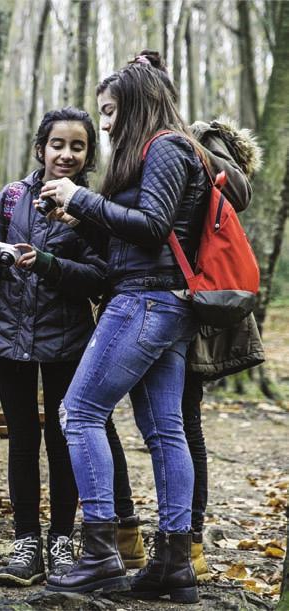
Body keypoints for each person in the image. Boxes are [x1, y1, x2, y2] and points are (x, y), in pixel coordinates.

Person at [42, 60, 211, 604]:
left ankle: (99, 555)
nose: (105, 124)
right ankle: (173, 564)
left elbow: (154, 227)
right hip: (164, 303)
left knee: (79, 411)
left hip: (145, 301)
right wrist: (85, 217)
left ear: (134, 105)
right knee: (165, 431)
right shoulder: (167, 150)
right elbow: (144, 229)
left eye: (110, 112)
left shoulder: (165, 146)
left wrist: (79, 196)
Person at [0, 108, 143, 587]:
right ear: (41, 147)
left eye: (77, 146)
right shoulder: (11, 197)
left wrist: (45, 263)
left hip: (67, 341)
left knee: (64, 438)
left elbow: (101, 277)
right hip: (8, 336)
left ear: (88, 154)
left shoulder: (93, 207)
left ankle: (62, 540)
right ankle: (26, 541)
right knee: (22, 440)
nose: (66, 154)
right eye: (58, 145)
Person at [129, 50, 264, 581]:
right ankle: (153, 541)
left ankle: (188, 544)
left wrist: (192, 141)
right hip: (154, 297)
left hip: (197, 305)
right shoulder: (134, 147)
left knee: (184, 424)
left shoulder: (194, 142)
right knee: (166, 424)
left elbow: (241, 191)